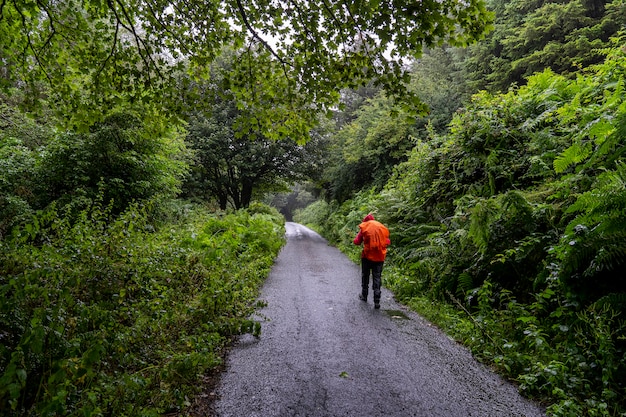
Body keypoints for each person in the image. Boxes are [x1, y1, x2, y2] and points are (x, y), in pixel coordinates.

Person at [353, 213, 390, 309]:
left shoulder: (365, 227)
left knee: (365, 275)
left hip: (367, 256)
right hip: (380, 257)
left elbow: (357, 242)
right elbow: (387, 242)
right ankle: (377, 300)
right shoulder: (380, 227)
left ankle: (364, 295)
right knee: (377, 277)